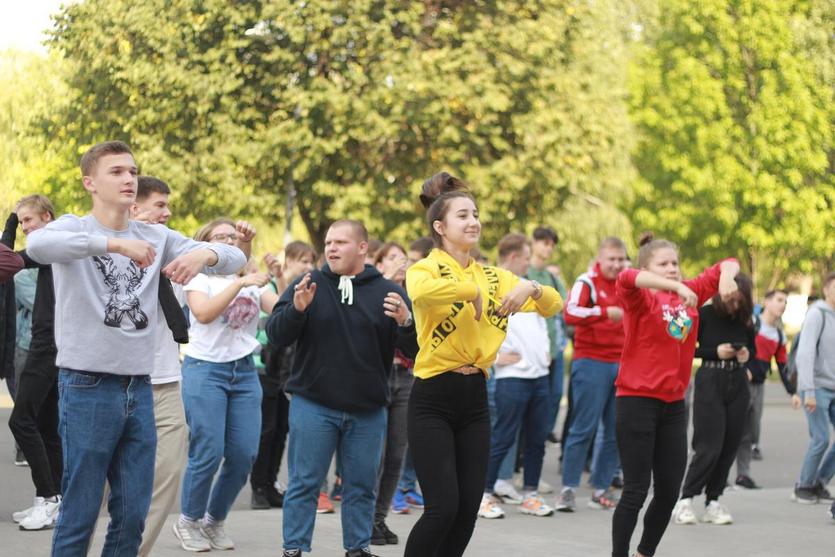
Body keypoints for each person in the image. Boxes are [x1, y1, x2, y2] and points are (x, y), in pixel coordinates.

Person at [26, 140, 247, 556]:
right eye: (116, 172)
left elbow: (235, 258)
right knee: (81, 513)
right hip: (87, 387)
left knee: (131, 518)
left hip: (140, 388)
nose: (129, 178)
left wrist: (205, 254)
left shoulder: (157, 235)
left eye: (132, 171)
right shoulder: (75, 227)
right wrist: (112, 244)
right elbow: (37, 247)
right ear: (90, 182)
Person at [403, 172, 562, 557]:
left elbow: (555, 304)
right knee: (442, 508)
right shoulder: (425, 268)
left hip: (475, 398)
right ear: (440, 227)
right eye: (462, 215)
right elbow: (421, 291)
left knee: (467, 511)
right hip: (433, 397)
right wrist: (470, 291)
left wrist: (532, 287)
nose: (473, 221)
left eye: (475, 214)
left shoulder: (495, 276)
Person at [268, 219, 418, 557]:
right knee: (305, 483)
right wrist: (297, 309)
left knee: (362, 486)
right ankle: (293, 549)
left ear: (362, 248)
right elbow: (276, 335)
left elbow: (417, 351)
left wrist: (406, 322)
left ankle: (357, 549)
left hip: (367, 410)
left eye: (340, 242)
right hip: (314, 405)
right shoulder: (307, 284)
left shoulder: (388, 292)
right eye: (328, 242)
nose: (331, 248)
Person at [611, 233, 739, 557]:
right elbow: (626, 277)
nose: (672, 269)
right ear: (648, 268)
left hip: (673, 406)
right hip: (636, 401)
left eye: (675, 264)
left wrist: (724, 275)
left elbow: (729, 263)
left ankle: (644, 553)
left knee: (668, 493)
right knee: (635, 491)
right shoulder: (641, 300)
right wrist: (676, 287)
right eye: (663, 264)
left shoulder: (692, 293)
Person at [174, 217, 274, 552]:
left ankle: (214, 521)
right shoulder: (199, 277)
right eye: (220, 237)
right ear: (204, 245)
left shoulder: (250, 278)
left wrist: (279, 281)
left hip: (244, 372)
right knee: (209, 450)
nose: (229, 242)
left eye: (233, 237)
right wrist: (241, 283)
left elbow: (281, 309)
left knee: (244, 453)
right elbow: (202, 314)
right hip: (205, 371)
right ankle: (188, 520)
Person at [478, 233, 556, 520]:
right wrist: (496, 358)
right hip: (513, 378)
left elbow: (541, 321)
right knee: (503, 437)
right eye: (525, 257)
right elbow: (481, 329)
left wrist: (545, 352)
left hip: (540, 376)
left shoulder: (528, 288)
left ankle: (531, 495)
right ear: (513, 258)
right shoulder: (495, 287)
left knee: (537, 439)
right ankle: (484, 494)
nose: (528, 262)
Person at [672, 274, 756, 525]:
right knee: (709, 444)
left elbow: (754, 350)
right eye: (731, 298)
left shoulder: (745, 318)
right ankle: (685, 499)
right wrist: (715, 351)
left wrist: (744, 355)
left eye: (739, 300)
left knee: (731, 443)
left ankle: (713, 500)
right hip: (710, 377)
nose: (735, 304)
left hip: (738, 381)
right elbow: (685, 345)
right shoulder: (705, 314)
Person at [557, 237, 627, 512]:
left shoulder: (627, 283)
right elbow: (570, 312)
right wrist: (602, 312)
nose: (616, 264)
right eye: (611, 259)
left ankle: (601, 489)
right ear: (600, 258)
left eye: (621, 259)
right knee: (583, 427)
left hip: (621, 363)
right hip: (591, 362)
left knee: (614, 429)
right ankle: (568, 490)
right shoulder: (586, 281)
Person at [5, 196, 62, 531]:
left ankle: (49, 497)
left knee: (21, 421)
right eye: (21, 222)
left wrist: (9, 227)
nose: (26, 228)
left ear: (47, 217)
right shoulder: (53, 250)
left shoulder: (52, 248)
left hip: (47, 348)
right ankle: (54, 500)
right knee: (45, 426)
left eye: (29, 220)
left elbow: (5, 260)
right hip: (49, 345)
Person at [250, 241, 316, 510]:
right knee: (266, 430)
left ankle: (270, 483)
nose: (308, 266)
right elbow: (277, 310)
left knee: (280, 430)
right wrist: (276, 274)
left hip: (286, 371)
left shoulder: (308, 291)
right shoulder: (276, 287)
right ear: (288, 261)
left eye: (311, 261)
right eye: (303, 261)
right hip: (264, 367)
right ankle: (258, 487)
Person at [370, 241, 417, 546]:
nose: (400, 261)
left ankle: (379, 518)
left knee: (397, 454)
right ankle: (365, 519)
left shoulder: (415, 297)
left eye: (404, 257)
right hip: (380, 374)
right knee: (376, 454)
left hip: (408, 376)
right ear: (379, 263)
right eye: (392, 257)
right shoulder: (376, 292)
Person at [735, 289, 795, 489]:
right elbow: (737, 347)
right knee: (731, 430)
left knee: (749, 433)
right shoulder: (752, 323)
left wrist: (792, 392)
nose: (782, 305)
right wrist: (744, 370)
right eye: (779, 300)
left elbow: (783, 365)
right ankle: (717, 478)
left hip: (758, 387)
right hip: (740, 383)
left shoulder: (779, 335)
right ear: (767, 302)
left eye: (785, 302)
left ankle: (743, 476)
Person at [792, 271, 835, 504]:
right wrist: (807, 391)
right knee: (820, 438)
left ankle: (819, 482)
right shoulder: (818, 314)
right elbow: (806, 353)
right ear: (827, 289)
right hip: (816, 386)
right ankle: (803, 486)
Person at [527, 226, 569, 449]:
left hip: (555, 348)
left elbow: (564, 305)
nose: (548, 248)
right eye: (544, 242)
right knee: (530, 407)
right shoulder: (524, 273)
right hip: (531, 350)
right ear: (533, 242)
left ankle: (538, 445)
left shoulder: (552, 278)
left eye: (552, 245)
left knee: (554, 399)